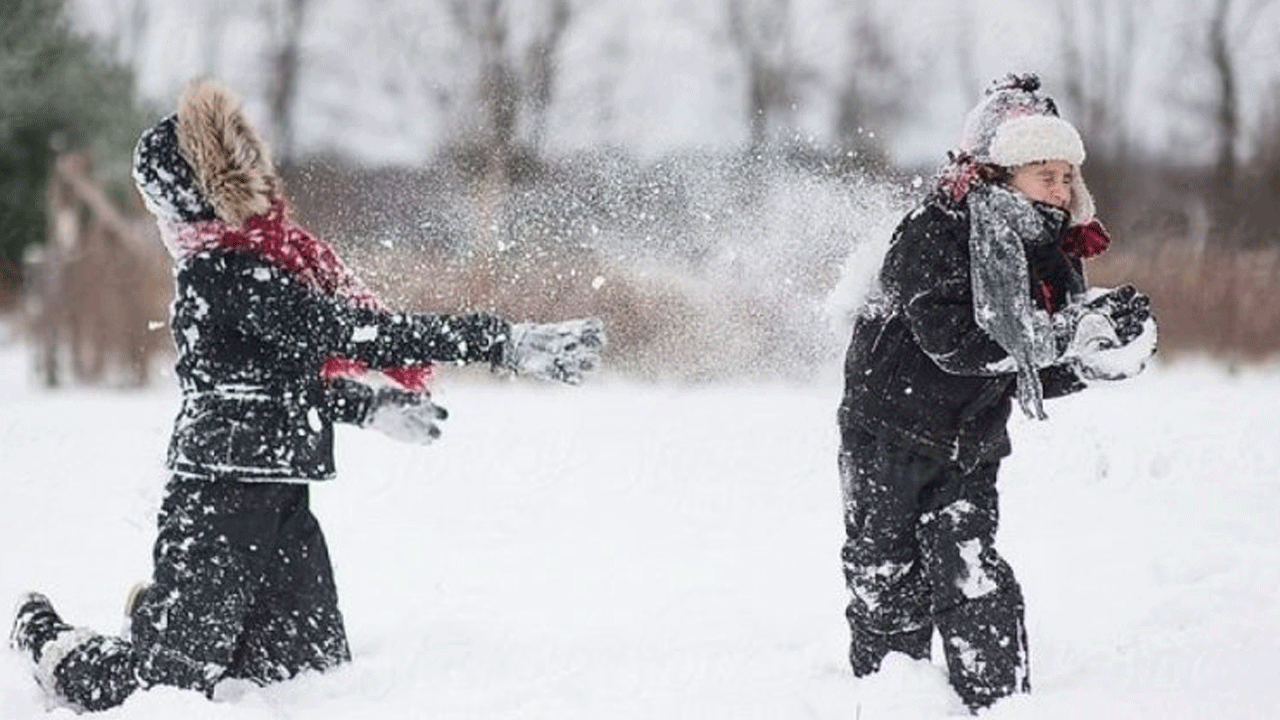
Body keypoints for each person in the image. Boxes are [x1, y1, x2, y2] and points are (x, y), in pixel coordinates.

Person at [9, 78, 605, 712]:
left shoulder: (266, 261)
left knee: (307, 671)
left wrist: (367, 407)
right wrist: (501, 342)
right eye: (233, 164)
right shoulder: (224, 276)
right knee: (170, 688)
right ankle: (51, 645)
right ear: (203, 189)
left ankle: (163, 612)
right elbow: (351, 332)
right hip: (217, 498)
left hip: (281, 496)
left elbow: (281, 380)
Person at [835, 73, 1155, 711]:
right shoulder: (937, 231)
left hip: (971, 441)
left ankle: (999, 703)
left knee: (970, 570)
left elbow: (1028, 363)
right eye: (1045, 175)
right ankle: (891, 699)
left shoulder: (1049, 249)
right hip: (888, 433)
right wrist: (1070, 334)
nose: (1061, 191)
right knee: (885, 572)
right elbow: (957, 343)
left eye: (1068, 176)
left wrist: (1095, 358)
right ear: (1000, 172)